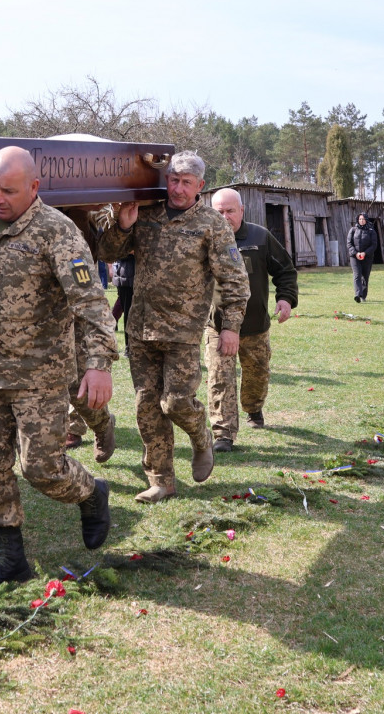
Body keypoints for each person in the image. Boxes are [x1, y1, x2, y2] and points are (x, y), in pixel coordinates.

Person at [0, 146, 117, 592]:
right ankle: (10, 559)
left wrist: (98, 365)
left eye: (8, 190)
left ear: (34, 187)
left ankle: (92, 492)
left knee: (41, 469)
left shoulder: (58, 232)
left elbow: (90, 304)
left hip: (41, 376)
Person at [97, 151, 249, 504]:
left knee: (177, 402)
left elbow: (235, 280)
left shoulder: (212, 224)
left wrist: (231, 327)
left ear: (200, 186)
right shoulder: (145, 212)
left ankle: (202, 438)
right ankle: (161, 480)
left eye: (185, 183)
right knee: (147, 407)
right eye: (173, 180)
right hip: (141, 327)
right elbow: (106, 251)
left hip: (182, 331)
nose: (177, 189)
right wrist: (123, 224)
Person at [205, 188, 298, 452]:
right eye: (219, 211)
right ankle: (223, 434)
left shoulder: (260, 237)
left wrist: (286, 298)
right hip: (218, 326)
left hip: (255, 326)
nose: (225, 217)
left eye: (230, 211)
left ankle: (253, 408)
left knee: (257, 375)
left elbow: (285, 271)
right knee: (219, 378)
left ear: (242, 211)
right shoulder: (204, 240)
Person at [62, 206, 118, 462]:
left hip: (76, 307)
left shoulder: (84, 211)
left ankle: (102, 424)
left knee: (77, 385)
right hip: (35, 317)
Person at [347, 213, 379, 302]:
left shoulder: (371, 231)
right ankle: (357, 294)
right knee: (357, 275)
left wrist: (365, 253)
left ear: (366, 220)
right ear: (358, 220)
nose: (361, 221)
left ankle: (363, 296)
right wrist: (356, 253)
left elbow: (374, 245)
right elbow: (349, 243)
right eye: (360, 219)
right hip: (354, 257)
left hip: (367, 257)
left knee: (365, 276)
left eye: (363, 219)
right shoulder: (353, 230)